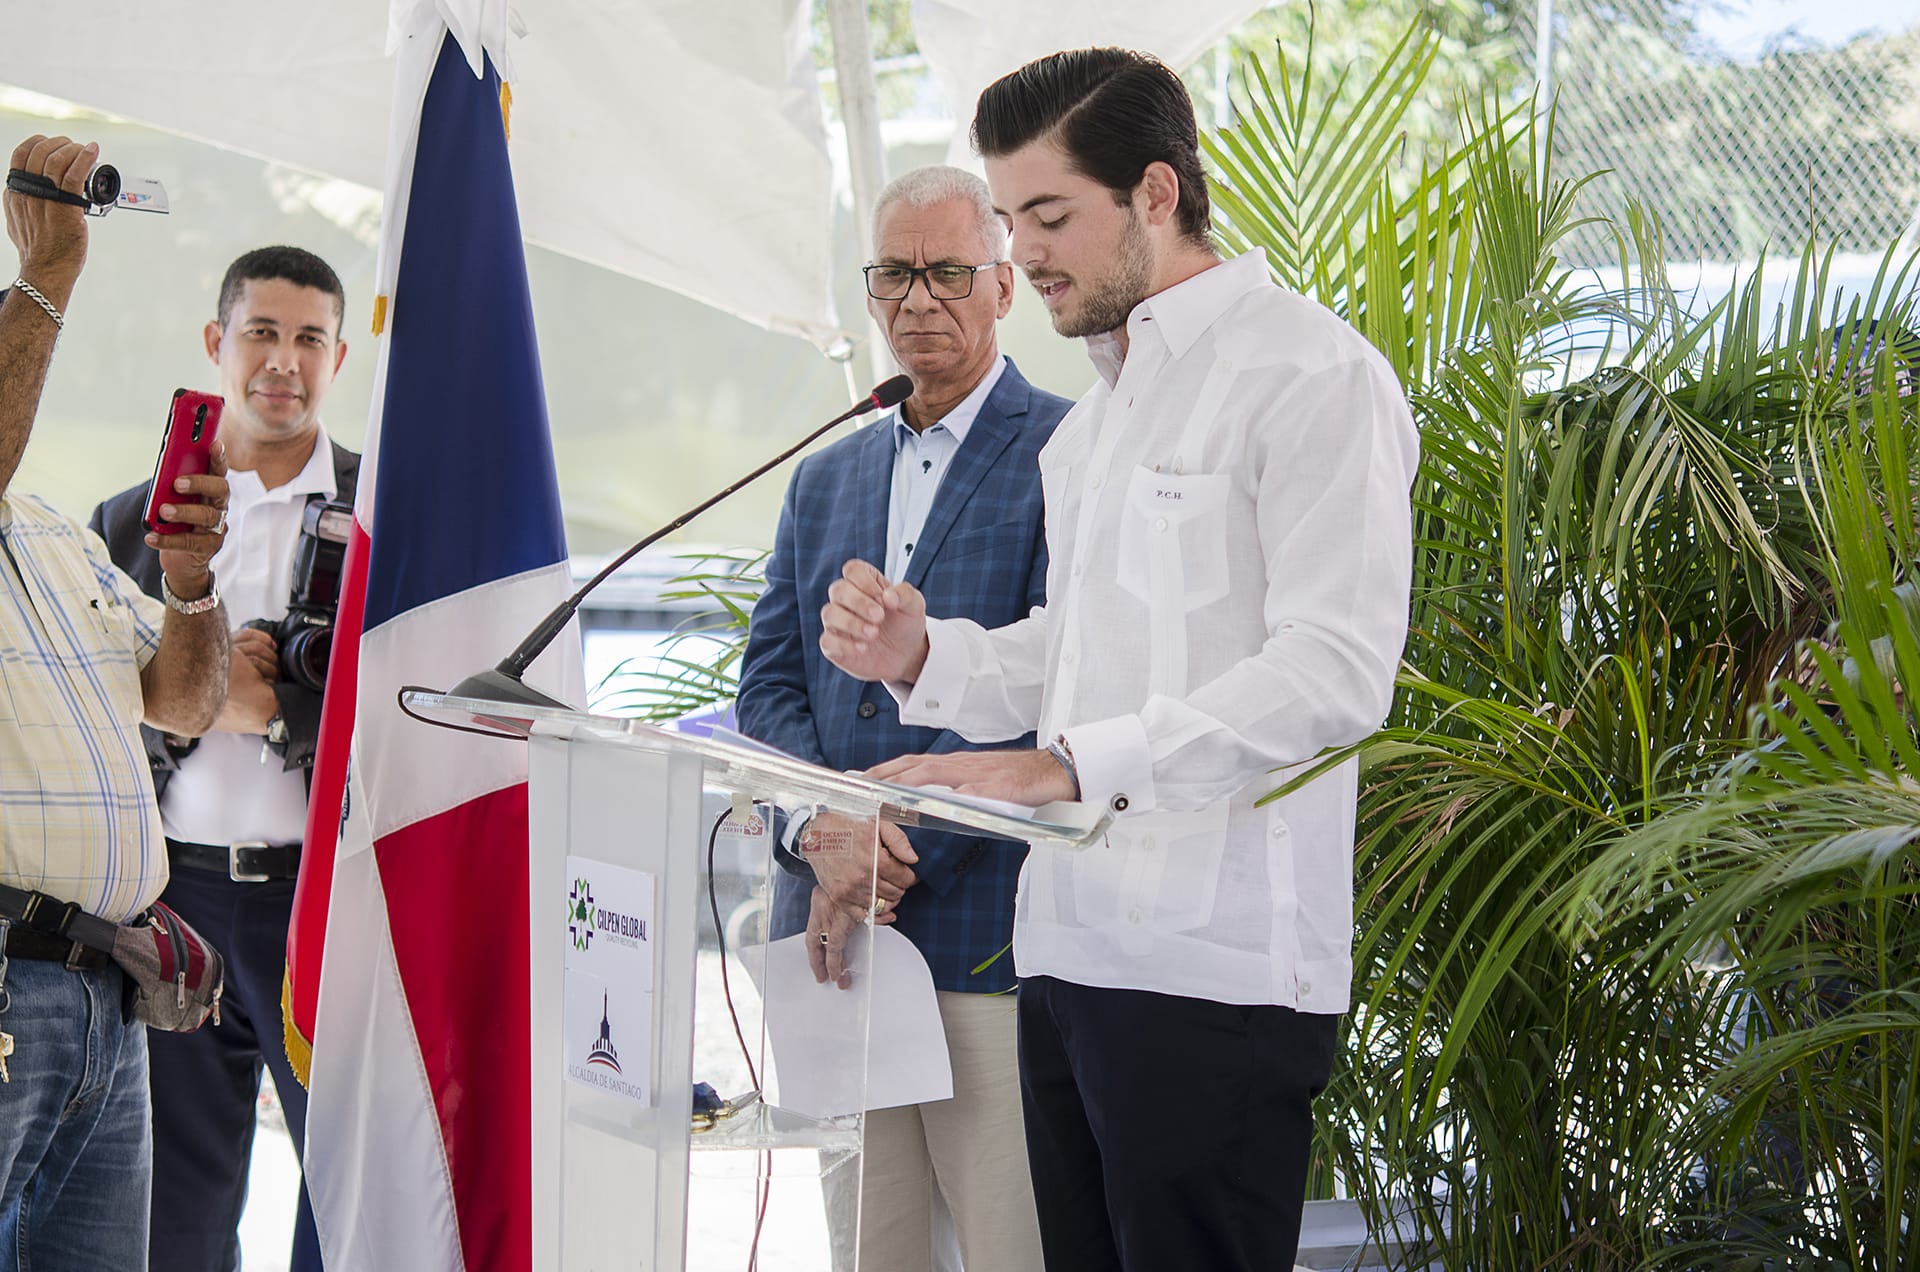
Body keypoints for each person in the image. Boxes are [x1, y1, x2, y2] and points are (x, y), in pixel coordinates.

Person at [817, 50, 1420, 1272]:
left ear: (1155, 194)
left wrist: (1067, 767)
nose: (1024, 255)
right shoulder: (1095, 424)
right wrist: (928, 653)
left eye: (1049, 217)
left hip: (1216, 970)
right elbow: (1080, 652)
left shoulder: (1312, 377)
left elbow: (1332, 674)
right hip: (1069, 950)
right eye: (1014, 219)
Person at [736, 165, 1070, 1271]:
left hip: (990, 943)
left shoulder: (1071, 456)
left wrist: (896, 848)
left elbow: (1061, 700)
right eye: (893, 274)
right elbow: (769, 689)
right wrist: (822, 840)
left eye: (947, 272)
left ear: (1004, 283)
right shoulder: (823, 476)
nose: (918, 299)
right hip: (837, 946)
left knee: (1009, 1244)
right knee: (868, 1252)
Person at [91, 245, 354, 1272]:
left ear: (336, 359)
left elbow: (421, 706)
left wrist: (277, 701)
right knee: (171, 1200)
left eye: (308, 340)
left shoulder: (387, 514)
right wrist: (199, 703)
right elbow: (95, 699)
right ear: (217, 343)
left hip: (325, 898)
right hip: (173, 899)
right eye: (261, 332)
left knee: (342, 1185)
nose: (282, 362)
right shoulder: (128, 521)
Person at [0, 133, 231, 1271]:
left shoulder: (55, 531)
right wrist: (46, 274)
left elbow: (182, 704)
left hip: (112, 998)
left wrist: (190, 584)